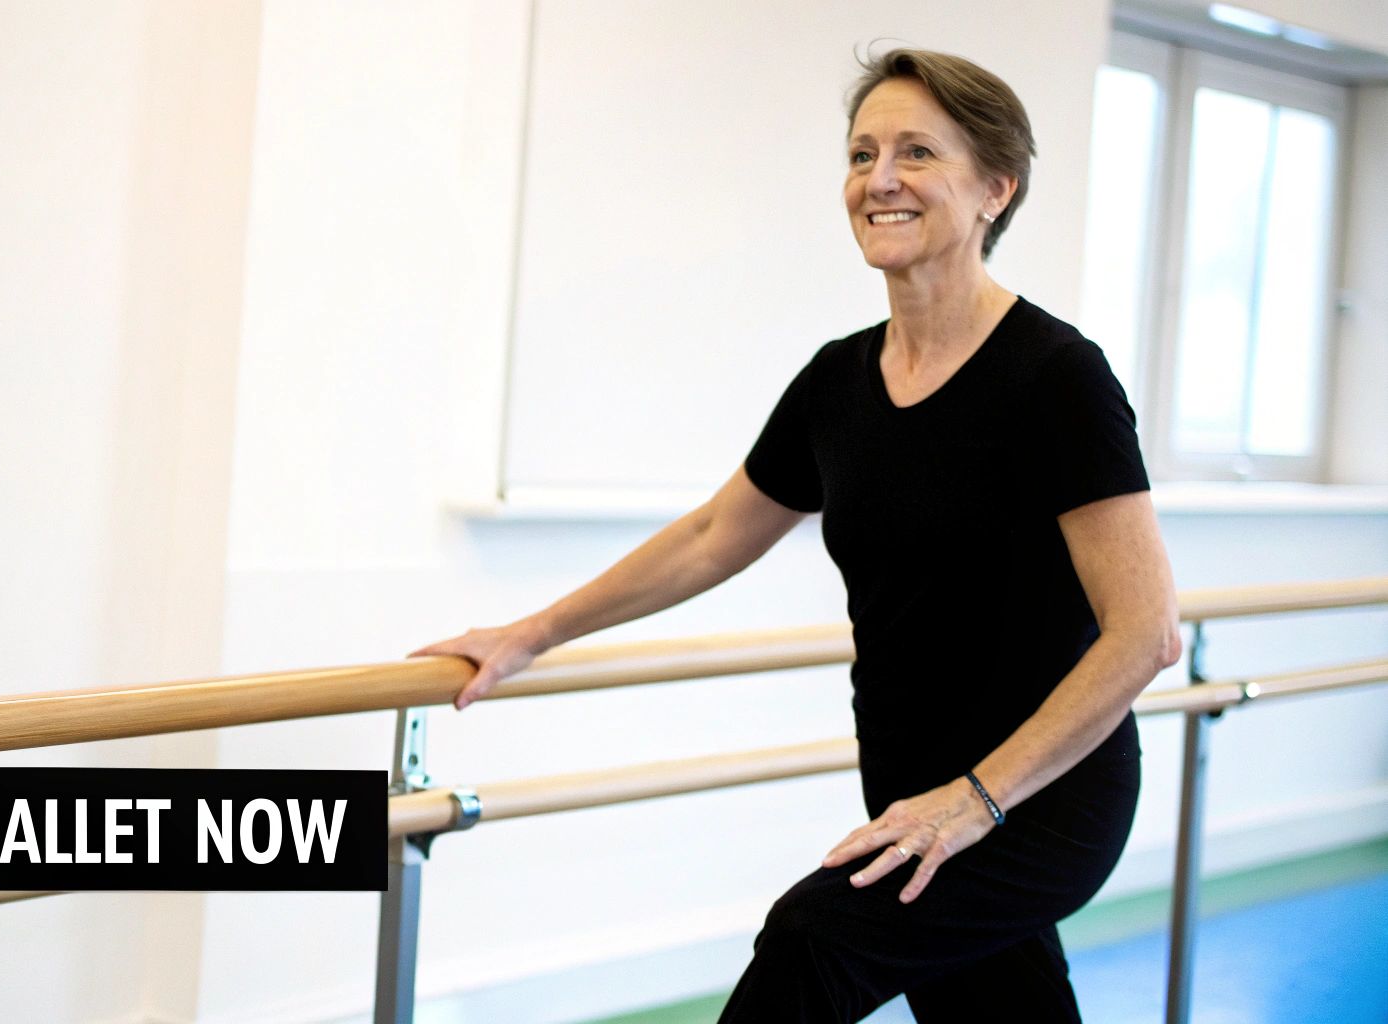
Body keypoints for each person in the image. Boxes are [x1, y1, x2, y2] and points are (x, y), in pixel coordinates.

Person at [407, 47, 1181, 1022]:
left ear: (995, 187)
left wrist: (973, 798)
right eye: (861, 154)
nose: (879, 180)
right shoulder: (835, 383)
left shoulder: (1055, 378)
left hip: (1033, 801)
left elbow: (1145, 632)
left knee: (812, 944)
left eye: (915, 153)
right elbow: (709, 535)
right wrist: (529, 633)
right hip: (908, 792)